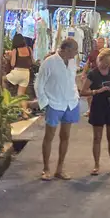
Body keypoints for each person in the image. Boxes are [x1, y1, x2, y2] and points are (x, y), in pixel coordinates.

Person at [35, 38, 80, 181]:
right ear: (66, 49)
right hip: (54, 103)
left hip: (70, 103)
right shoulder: (49, 62)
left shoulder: (72, 62)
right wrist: (45, 102)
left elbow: (72, 80)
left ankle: (60, 168)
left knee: (65, 136)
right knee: (49, 136)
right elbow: (39, 84)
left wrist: (76, 95)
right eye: (75, 50)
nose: (76, 53)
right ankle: (46, 168)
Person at [80, 48, 110, 175]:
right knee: (97, 138)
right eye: (104, 62)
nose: (106, 65)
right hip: (98, 106)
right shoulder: (93, 74)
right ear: (100, 59)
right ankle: (96, 165)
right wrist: (97, 91)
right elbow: (83, 91)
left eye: (109, 63)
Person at [5, 33, 34, 118]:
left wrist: (9, 57)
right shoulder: (29, 49)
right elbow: (32, 61)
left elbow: (13, 64)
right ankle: (25, 113)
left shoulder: (15, 50)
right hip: (26, 73)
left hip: (17, 72)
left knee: (2, 79)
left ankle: (5, 96)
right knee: (21, 95)